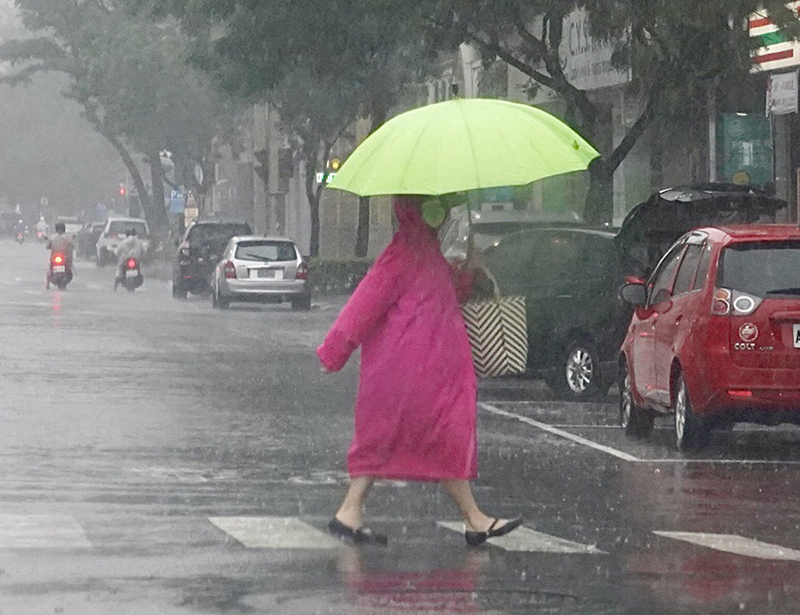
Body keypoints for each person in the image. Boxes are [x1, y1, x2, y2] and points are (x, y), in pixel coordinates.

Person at [317, 195, 523, 547]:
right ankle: (474, 518)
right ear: (421, 209)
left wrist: (467, 271)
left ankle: (349, 512)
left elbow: (441, 295)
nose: (442, 213)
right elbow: (364, 305)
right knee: (444, 438)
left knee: (389, 440)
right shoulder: (404, 253)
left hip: (426, 371)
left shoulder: (426, 252)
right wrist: (333, 352)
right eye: (436, 204)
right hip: (416, 374)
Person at [45, 221, 74, 289]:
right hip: (65, 257)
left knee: (50, 269)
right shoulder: (68, 237)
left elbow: (47, 246)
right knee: (68, 267)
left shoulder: (52, 237)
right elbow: (72, 246)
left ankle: (47, 284)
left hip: (54, 257)